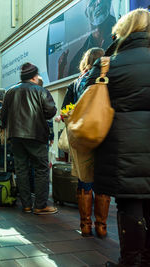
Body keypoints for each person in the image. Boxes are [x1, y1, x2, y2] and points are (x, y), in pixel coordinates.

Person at [83, 9, 150, 266]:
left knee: (130, 203)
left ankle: (129, 261)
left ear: (123, 30)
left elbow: (86, 100)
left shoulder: (109, 64)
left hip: (123, 148)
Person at [61, 47, 112, 238]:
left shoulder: (76, 83)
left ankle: (85, 226)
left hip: (82, 135)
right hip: (105, 133)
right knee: (103, 180)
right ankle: (102, 226)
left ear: (85, 61)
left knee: (84, 179)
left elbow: (65, 110)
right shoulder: (109, 78)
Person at [0, 62, 57, 215]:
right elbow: (51, 111)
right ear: (33, 77)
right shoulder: (41, 90)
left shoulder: (10, 92)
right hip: (36, 135)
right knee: (41, 169)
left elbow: (2, 115)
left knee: (21, 169)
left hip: (15, 136)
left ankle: (26, 205)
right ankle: (40, 205)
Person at [58, 0, 116, 78]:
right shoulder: (77, 61)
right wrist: (60, 72)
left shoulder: (123, 36)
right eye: (93, 2)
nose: (99, 2)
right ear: (86, 13)